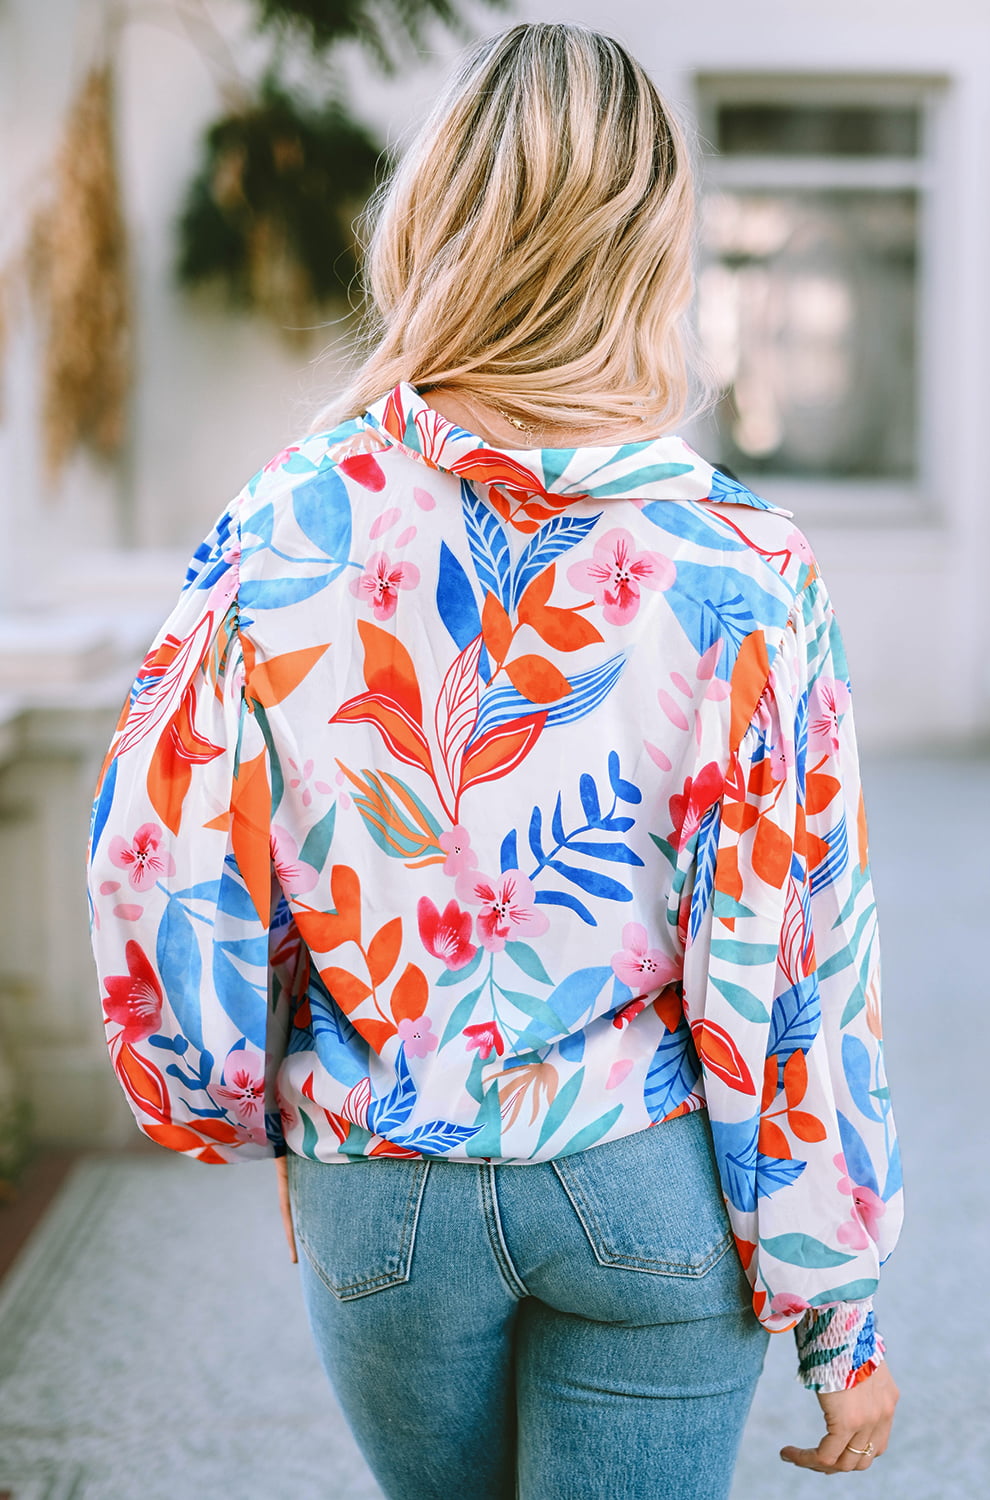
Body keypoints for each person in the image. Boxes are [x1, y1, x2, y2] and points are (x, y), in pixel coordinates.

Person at [86, 21, 902, 1500]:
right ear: (651, 240)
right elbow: (795, 951)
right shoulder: (737, 561)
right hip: (645, 1175)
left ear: (433, 216)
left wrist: (245, 1106)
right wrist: (833, 1315)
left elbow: (164, 864)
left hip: (379, 1192)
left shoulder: (280, 523)